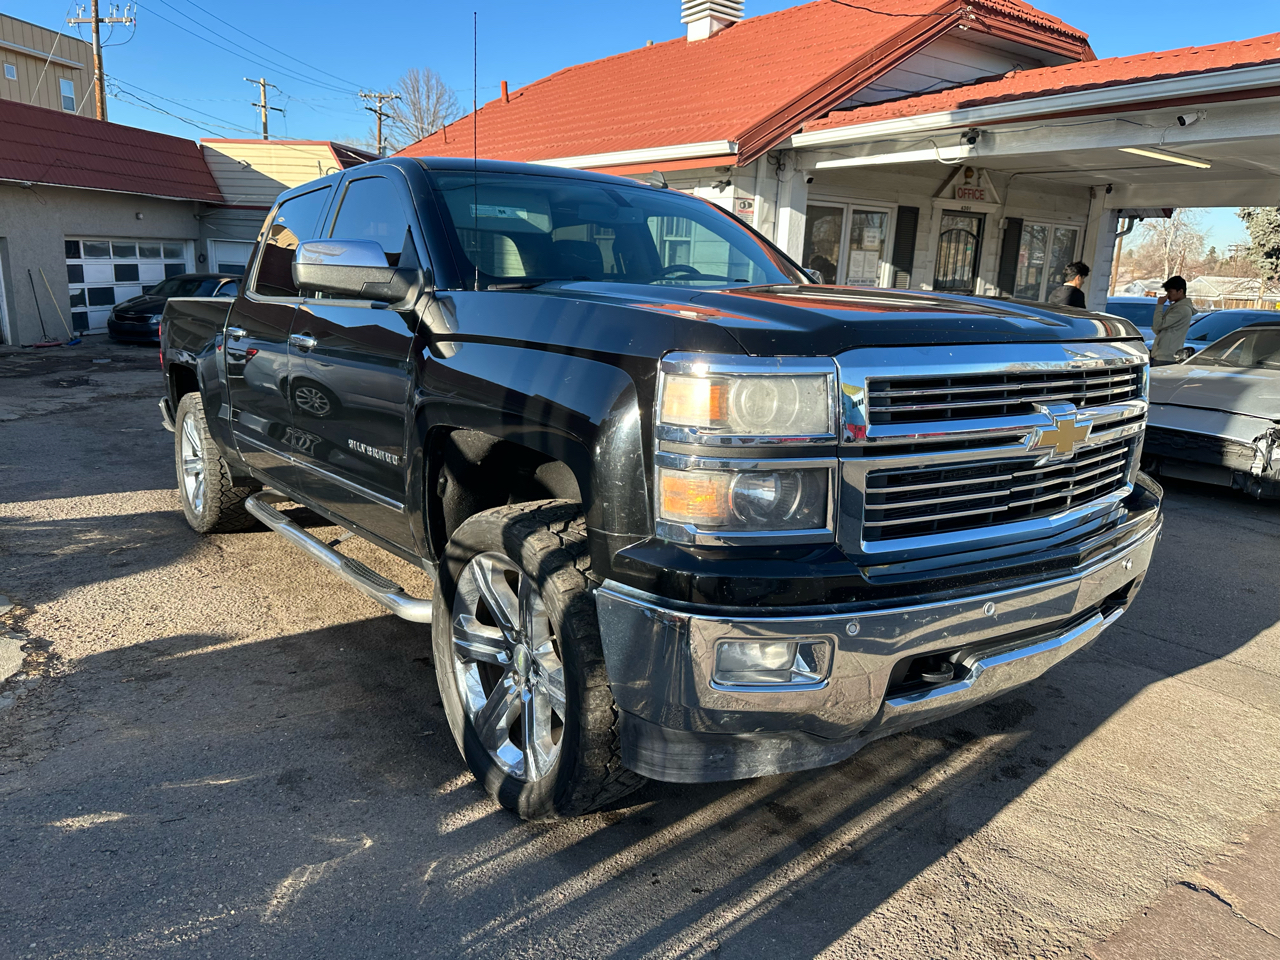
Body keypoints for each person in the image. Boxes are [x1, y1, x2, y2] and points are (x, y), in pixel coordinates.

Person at [1151, 276, 1196, 365]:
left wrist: (1159, 305)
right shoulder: (1177, 307)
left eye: (1170, 292)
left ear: (1180, 291)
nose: (1167, 295)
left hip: (1167, 355)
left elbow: (1158, 325)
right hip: (1165, 353)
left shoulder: (1181, 309)